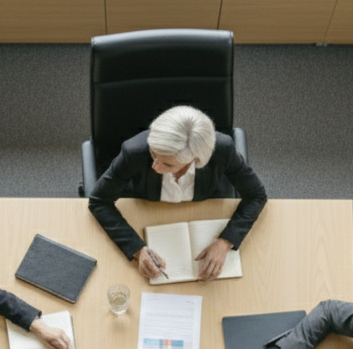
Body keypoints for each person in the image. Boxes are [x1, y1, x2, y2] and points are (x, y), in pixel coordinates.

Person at [88, 105, 268, 282]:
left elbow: (256, 195)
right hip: (147, 211)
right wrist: (137, 250)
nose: (155, 167)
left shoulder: (222, 149)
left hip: (205, 209)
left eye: (167, 164)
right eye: (153, 154)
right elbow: (99, 200)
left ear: (195, 159)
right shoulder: (134, 151)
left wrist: (225, 242)